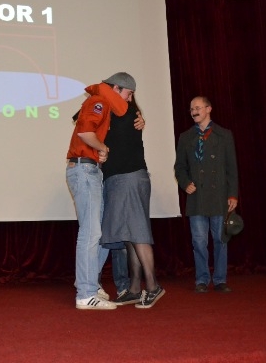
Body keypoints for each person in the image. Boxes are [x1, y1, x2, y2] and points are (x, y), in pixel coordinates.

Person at [66, 72, 132, 310]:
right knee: (91, 232)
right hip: (84, 171)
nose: (129, 100)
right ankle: (85, 294)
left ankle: (89, 285)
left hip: (89, 170)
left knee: (100, 233)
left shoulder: (101, 102)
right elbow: (85, 133)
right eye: (128, 94)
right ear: (116, 88)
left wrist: (99, 151)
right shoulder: (99, 101)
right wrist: (102, 147)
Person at [100, 88, 165, 309]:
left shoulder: (127, 112)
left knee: (137, 233)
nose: (128, 98)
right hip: (122, 179)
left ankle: (153, 286)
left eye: (129, 94)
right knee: (129, 236)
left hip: (129, 177)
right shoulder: (114, 113)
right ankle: (135, 288)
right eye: (125, 93)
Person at [174, 96, 238, 293]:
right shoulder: (186, 137)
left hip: (219, 196)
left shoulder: (224, 135)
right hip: (196, 198)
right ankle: (201, 279)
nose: (194, 111)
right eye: (191, 109)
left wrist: (233, 194)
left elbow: (232, 168)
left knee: (220, 240)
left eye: (198, 108)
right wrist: (185, 183)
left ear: (209, 109)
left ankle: (220, 279)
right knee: (199, 242)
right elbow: (179, 167)